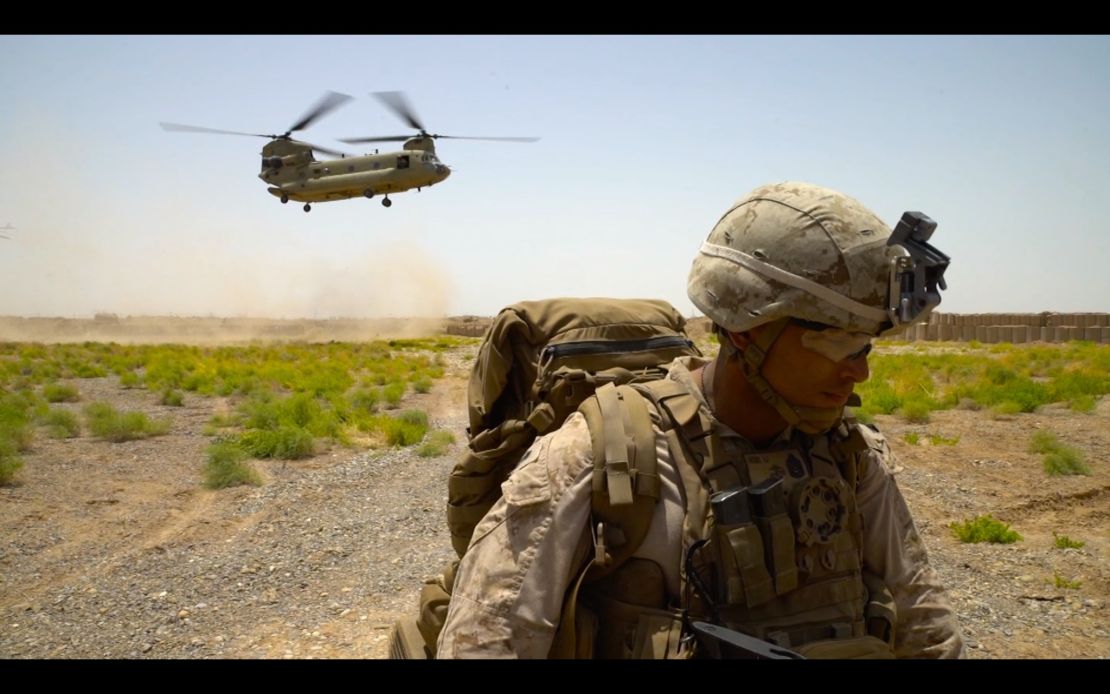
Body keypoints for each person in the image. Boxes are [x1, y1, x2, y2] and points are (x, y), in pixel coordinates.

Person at [437, 181, 965, 659]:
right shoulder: (600, 454)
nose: (861, 372)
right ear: (745, 329)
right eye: (840, 342)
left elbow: (924, 623)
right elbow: (485, 642)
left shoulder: (853, 458)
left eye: (867, 344)